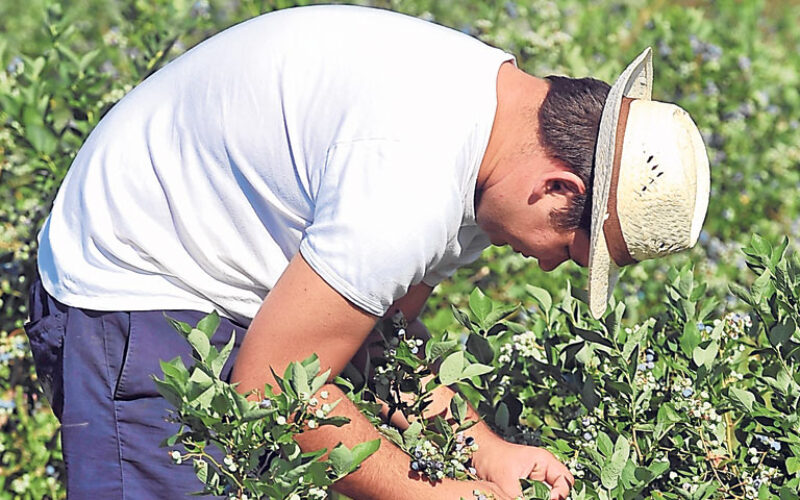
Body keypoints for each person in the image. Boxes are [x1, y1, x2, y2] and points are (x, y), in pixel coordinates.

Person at [24, 4, 709, 500]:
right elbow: (274, 386)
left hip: (244, 295)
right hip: (137, 287)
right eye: (570, 248)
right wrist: (429, 494)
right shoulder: (410, 182)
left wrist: (487, 452)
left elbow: (379, 342)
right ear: (558, 188)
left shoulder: (494, 147)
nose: (554, 265)